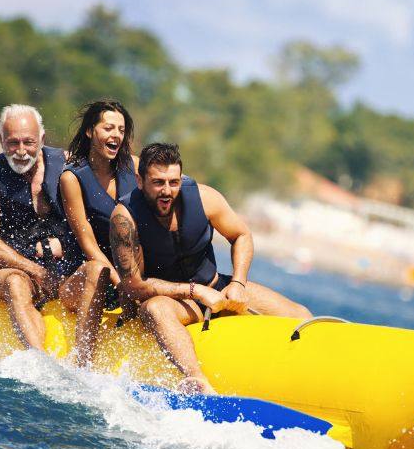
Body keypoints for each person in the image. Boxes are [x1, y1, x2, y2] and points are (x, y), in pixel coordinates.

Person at [109, 143, 311, 394]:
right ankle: (197, 381)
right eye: (158, 182)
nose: (167, 191)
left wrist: (238, 282)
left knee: (300, 314)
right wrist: (195, 291)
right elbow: (134, 286)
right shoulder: (124, 218)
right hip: (174, 301)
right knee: (154, 309)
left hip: (219, 288)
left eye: (173, 182)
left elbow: (241, 235)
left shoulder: (205, 198)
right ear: (140, 181)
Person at [0, 104, 105, 352]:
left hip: (65, 276)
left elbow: (97, 218)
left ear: (42, 139)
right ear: (1, 140)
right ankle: (39, 360)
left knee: (96, 271)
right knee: (14, 283)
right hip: (16, 272)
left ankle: (85, 358)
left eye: (28, 142)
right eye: (13, 143)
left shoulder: (70, 167)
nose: (21, 151)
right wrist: (34, 270)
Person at [59, 99, 140, 366]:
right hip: (86, 276)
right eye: (108, 128)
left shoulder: (135, 168)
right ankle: (83, 362)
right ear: (90, 131)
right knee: (97, 269)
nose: (116, 134)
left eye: (121, 129)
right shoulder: (72, 178)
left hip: (130, 276)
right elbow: (88, 245)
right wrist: (123, 284)